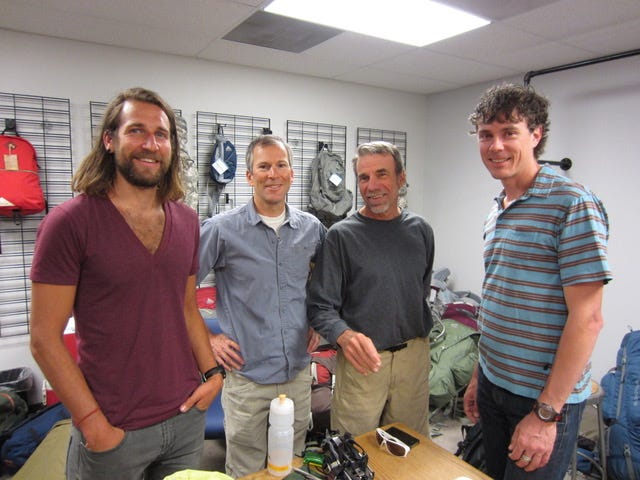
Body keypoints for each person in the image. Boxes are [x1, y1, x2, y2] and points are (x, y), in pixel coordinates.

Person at [29, 87, 223, 480]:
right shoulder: (70, 223)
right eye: (136, 130)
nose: (150, 144)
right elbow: (44, 338)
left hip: (186, 418)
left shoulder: (187, 221)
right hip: (113, 429)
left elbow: (187, 308)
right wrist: (93, 425)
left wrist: (214, 374)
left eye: (161, 134)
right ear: (109, 139)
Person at [463, 83, 612, 480]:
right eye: (486, 135)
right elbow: (500, 299)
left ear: (535, 135)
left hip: (540, 401)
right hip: (494, 384)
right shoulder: (498, 208)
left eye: (508, 132)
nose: (496, 146)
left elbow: (588, 318)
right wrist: (480, 374)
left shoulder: (572, 203)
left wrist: (546, 414)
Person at [198, 134, 326, 478]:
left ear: (291, 174)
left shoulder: (312, 229)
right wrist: (208, 339)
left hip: (297, 374)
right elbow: (175, 289)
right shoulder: (221, 230)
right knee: (246, 469)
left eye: (280, 165)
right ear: (249, 176)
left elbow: (325, 285)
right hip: (247, 379)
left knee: (291, 464)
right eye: (264, 166)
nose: (273, 174)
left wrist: (317, 320)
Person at [307, 141, 435, 437]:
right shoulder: (341, 236)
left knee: (410, 445)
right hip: (361, 362)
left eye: (382, 174)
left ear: (401, 178)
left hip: (412, 359)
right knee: (354, 446)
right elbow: (320, 306)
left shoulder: (421, 231)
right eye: (364, 177)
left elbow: (420, 293)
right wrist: (344, 335)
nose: (372, 186)